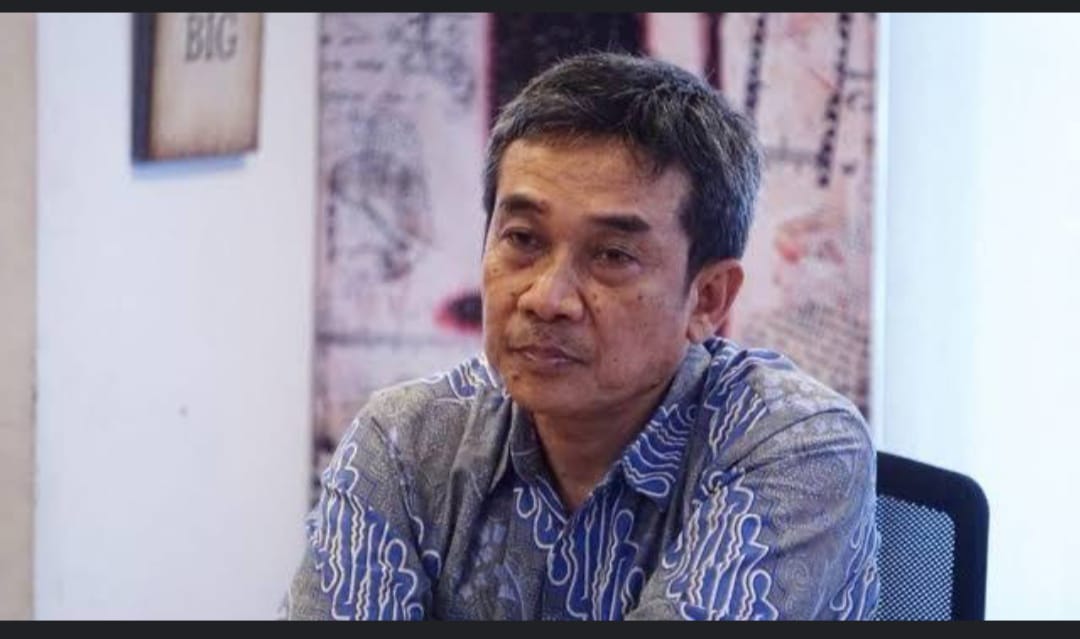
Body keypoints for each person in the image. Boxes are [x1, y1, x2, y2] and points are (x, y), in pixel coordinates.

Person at [283, 51, 879, 621]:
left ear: (708, 298)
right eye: (523, 239)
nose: (546, 298)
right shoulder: (406, 441)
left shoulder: (796, 446)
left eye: (612, 255)